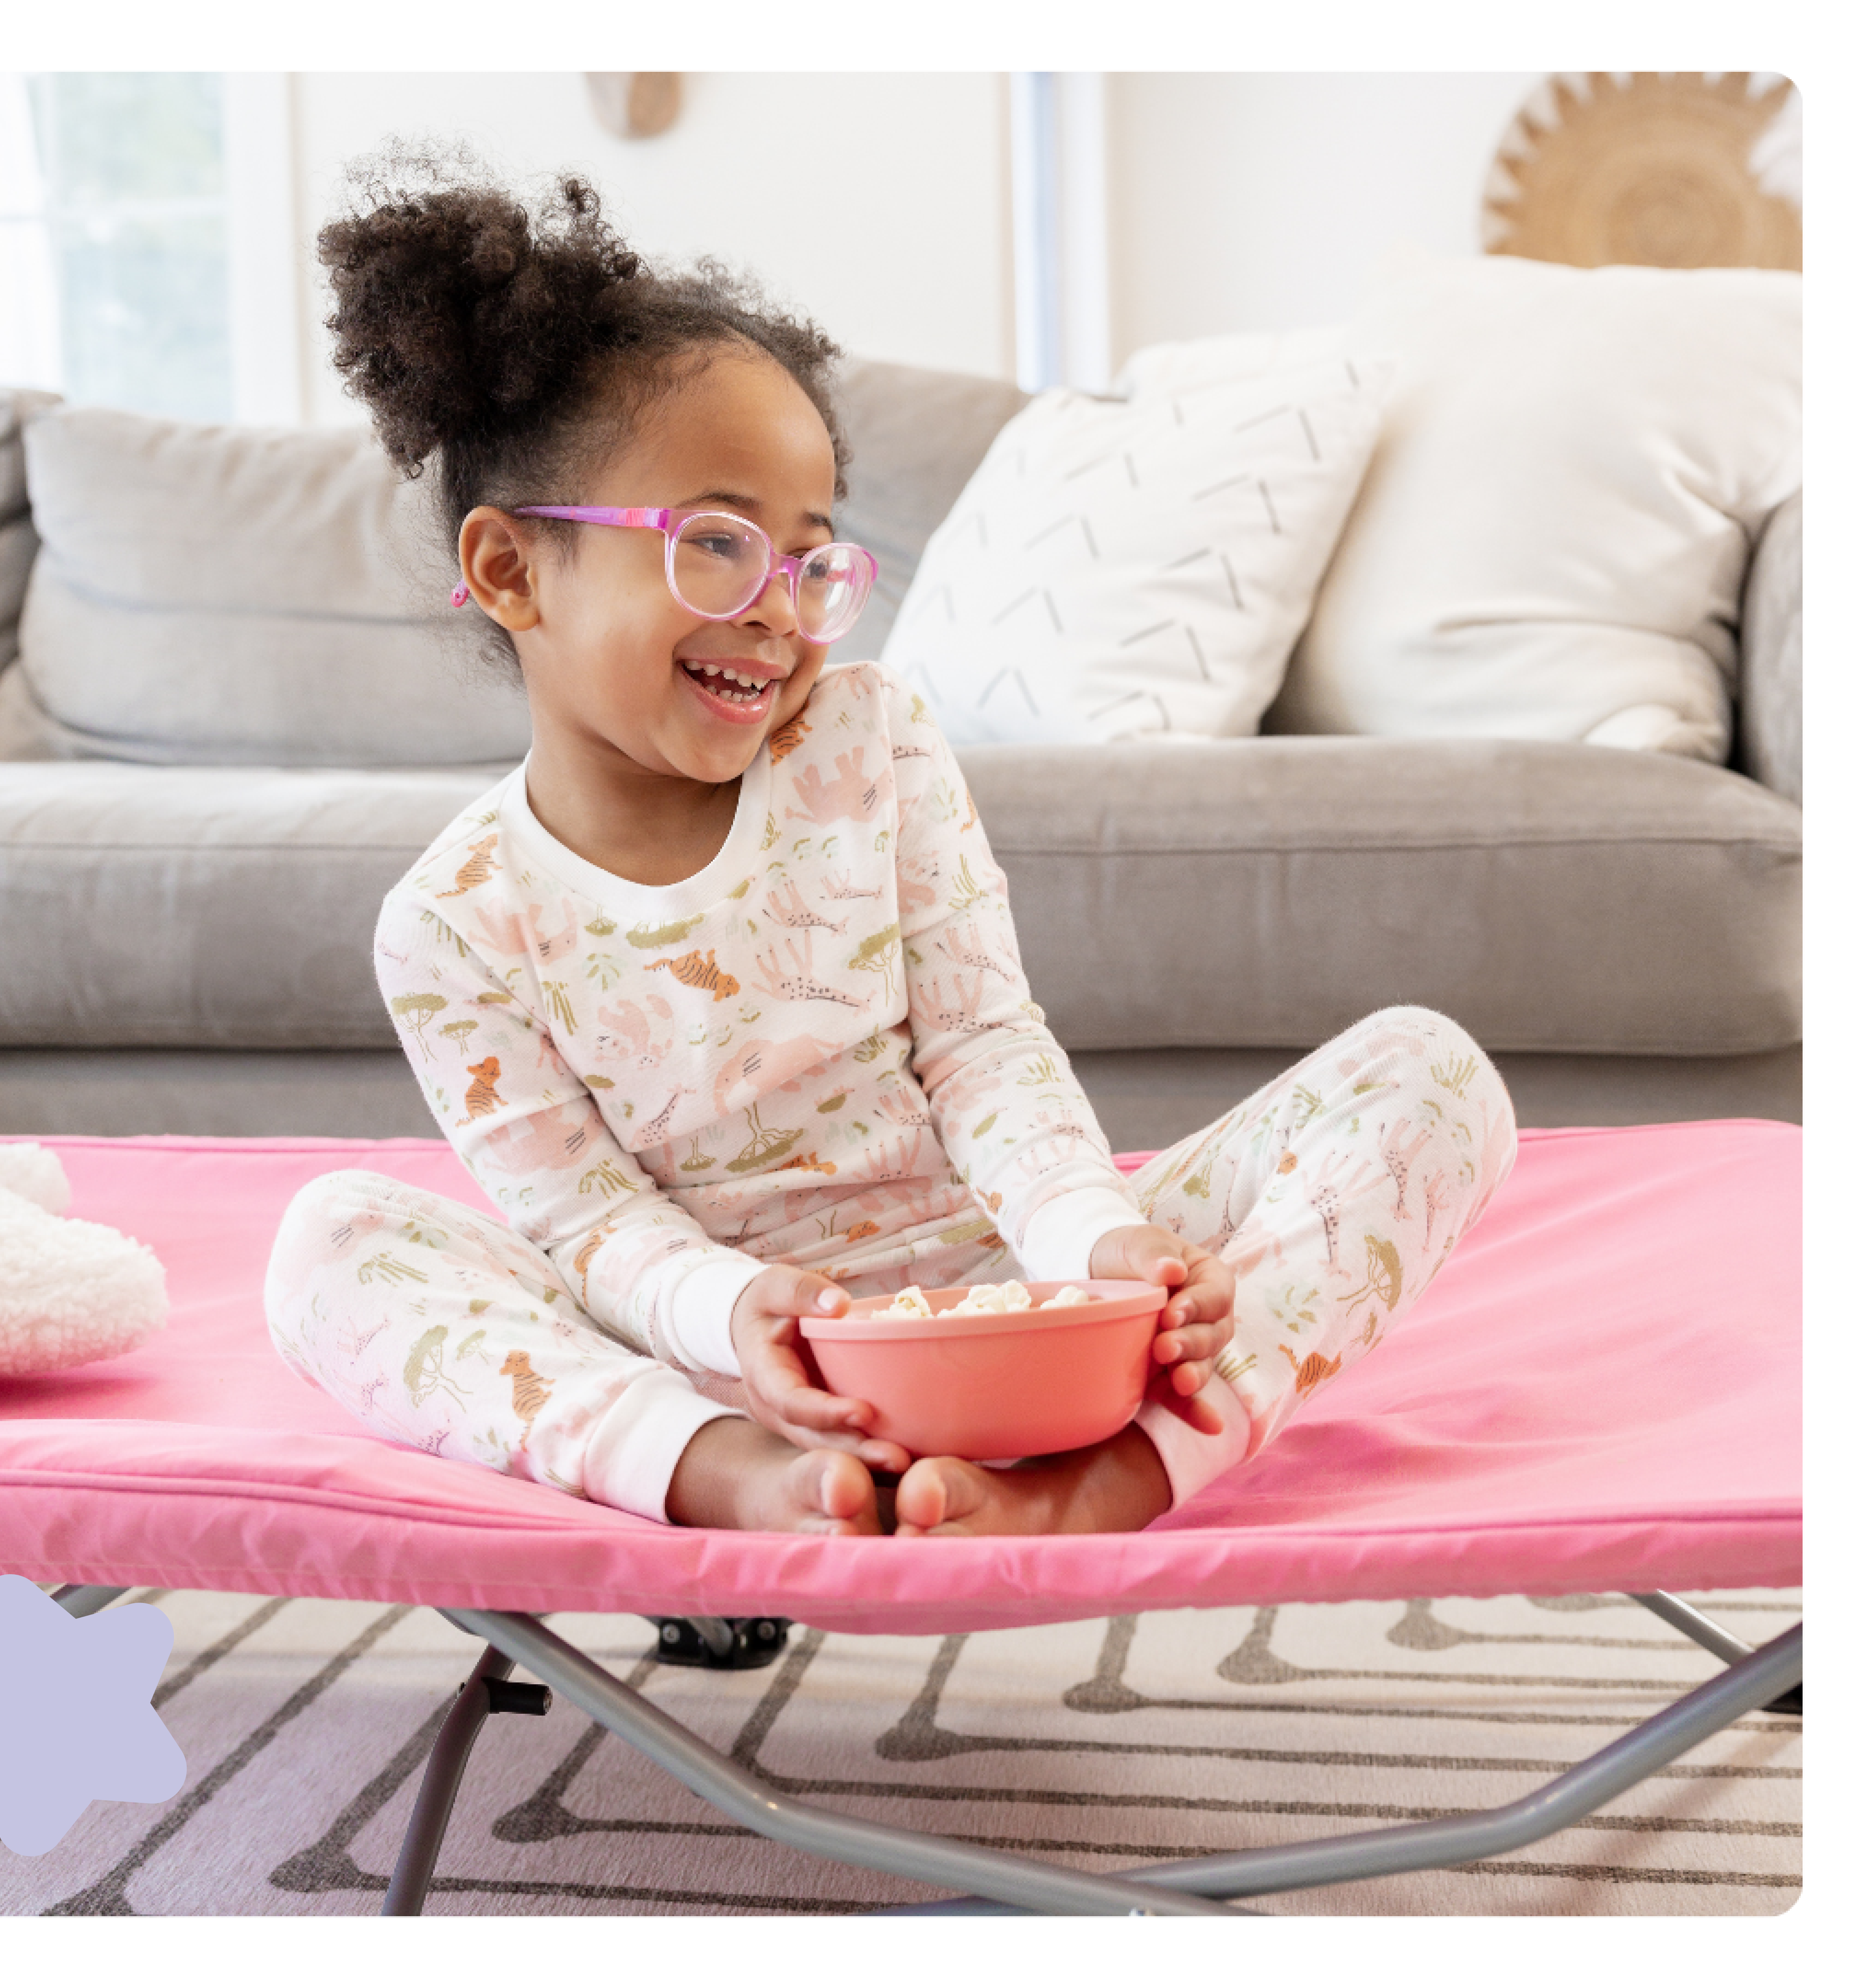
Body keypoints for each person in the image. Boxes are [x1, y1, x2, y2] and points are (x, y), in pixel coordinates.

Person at [265, 153, 1517, 1539]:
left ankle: (1109, 1476)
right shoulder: (450, 921)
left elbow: (986, 1049)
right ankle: (748, 1487)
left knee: (1431, 1074)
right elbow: (583, 1223)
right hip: (718, 1365)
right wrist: (733, 1316)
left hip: (1015, 1303)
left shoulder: (870, 744)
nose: (781, 613)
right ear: (510, 571)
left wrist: (1095, 1253)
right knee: (330, 1246)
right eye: (717, 547)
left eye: (810, 562)